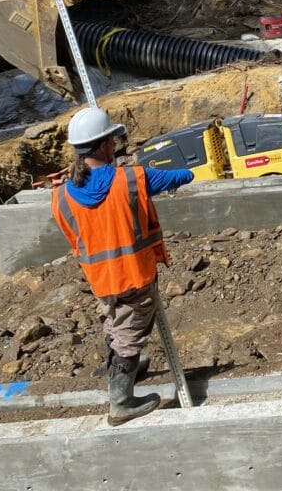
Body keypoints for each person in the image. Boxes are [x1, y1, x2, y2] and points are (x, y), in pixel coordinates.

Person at [50, 106, 194, 425]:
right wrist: (189, 171)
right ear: (103, 145)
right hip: (135, 275)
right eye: (111, 141)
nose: (114, 146)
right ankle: (120, 401)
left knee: (115, 321)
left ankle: (122, 368)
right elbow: (181, 176)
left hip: (102, 281)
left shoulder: (61, 196)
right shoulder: (132, 178)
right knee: (130, 334)